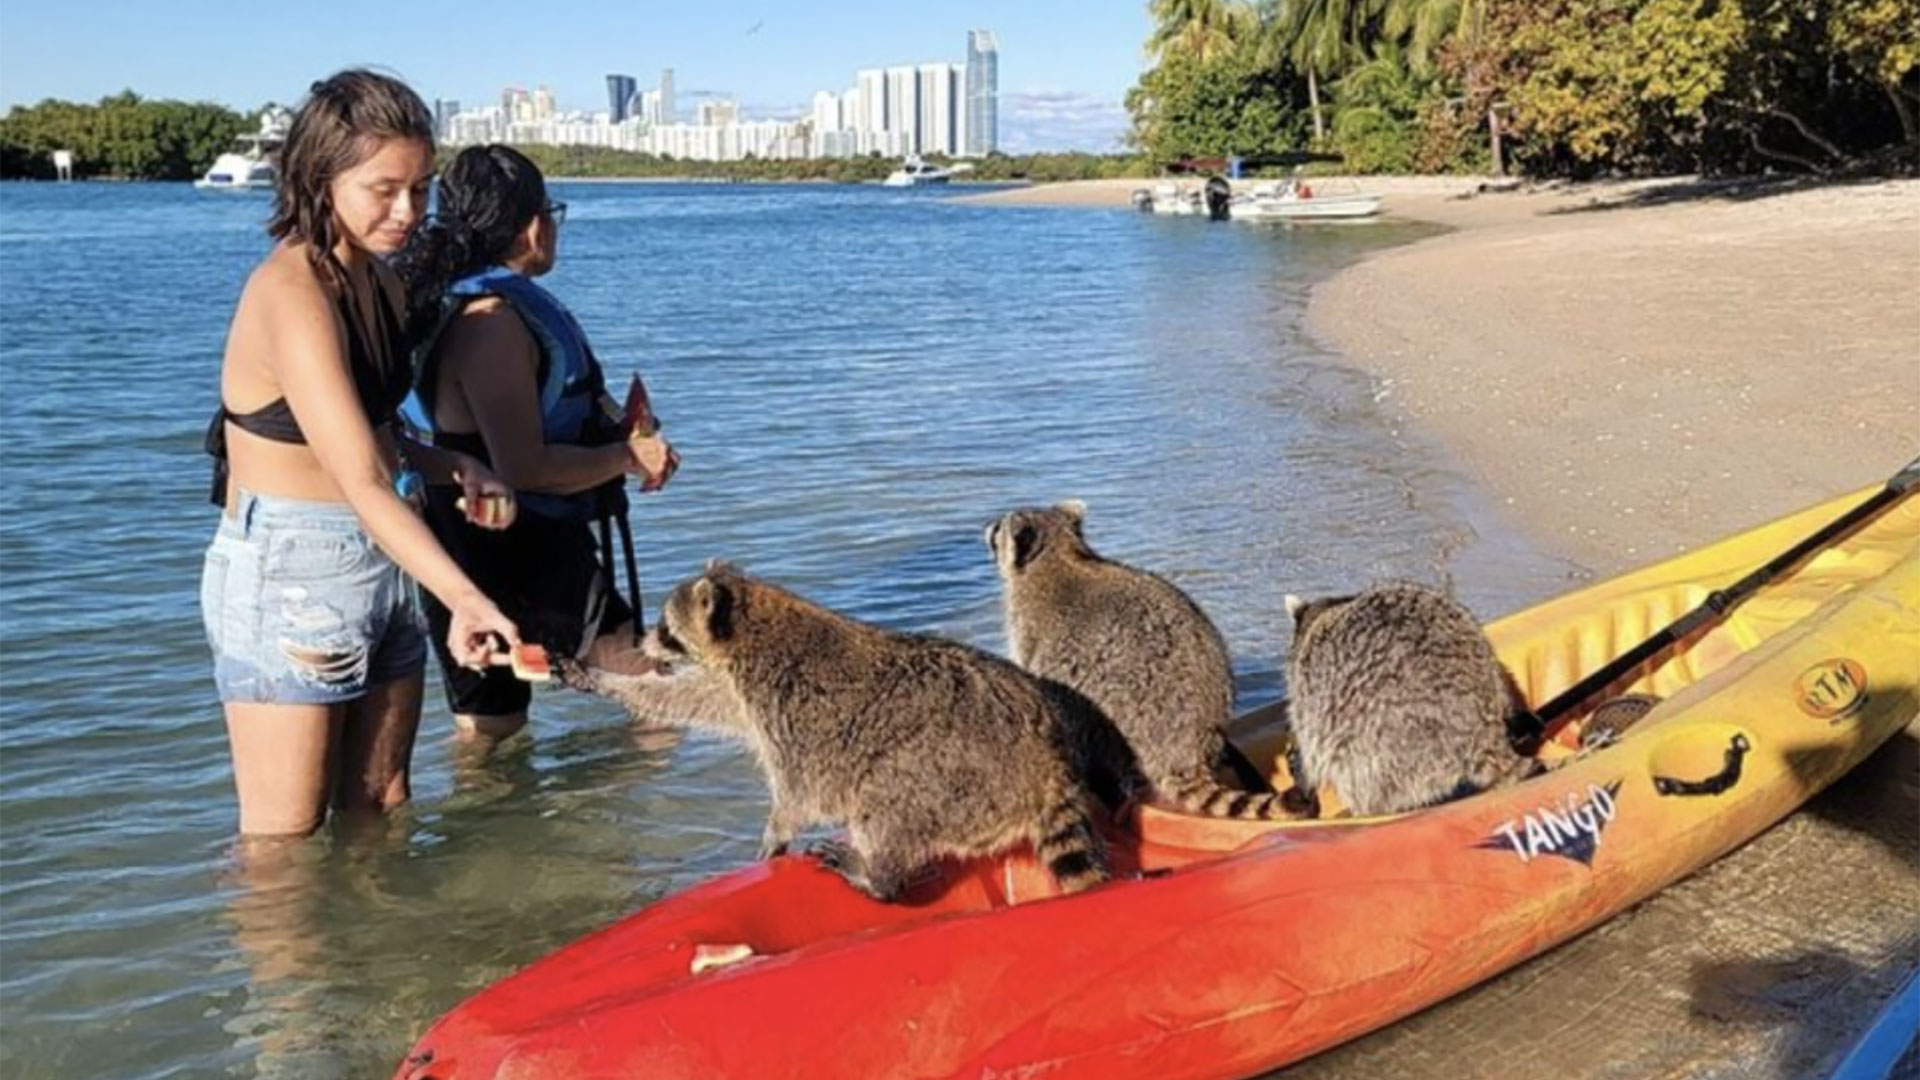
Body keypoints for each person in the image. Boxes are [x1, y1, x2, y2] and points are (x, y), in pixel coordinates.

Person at [200, 70, 522, 838]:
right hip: (290, 570)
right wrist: (468, 599)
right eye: (384, 189)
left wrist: (455, 465)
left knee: (381, 810)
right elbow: (360, 475)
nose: (408, 211)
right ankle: (281, 965)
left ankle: (375, 963)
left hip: (378, 561)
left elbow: (372, 436)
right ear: (320, 176)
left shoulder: (374, 279)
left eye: (421, 188)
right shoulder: (291, 291)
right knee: (283, 842)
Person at [395, 144, 678, 749]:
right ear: (533, 224)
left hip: (457, 544)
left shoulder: (454, 304)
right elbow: (524, 466)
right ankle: (666, 835)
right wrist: (628, 459)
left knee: (490, 731)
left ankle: (492, 841)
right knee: (663, 696)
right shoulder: (493, 321)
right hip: (519, 547)